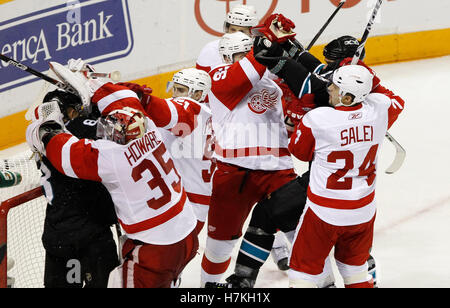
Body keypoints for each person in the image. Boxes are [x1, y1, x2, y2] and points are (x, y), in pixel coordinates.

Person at [26, 61, 201, 288]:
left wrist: (48, 123)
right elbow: (125, 103)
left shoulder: (110, 157)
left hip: (154, 247)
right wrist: (93, 83)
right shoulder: (150, 128)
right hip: (187, 231)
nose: (105, 128)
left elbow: (62, 151)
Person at [287, 64, 404, 288]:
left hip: (324, 212)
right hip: (363, 210)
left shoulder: (318, 119)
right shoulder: (378, 109)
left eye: (335, 86)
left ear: (347, 97)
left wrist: (298, 119)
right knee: (356, 271)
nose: (329, 88)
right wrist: (368, 75)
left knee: (303, 272)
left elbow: (299, 152)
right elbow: (396, 100)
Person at [201, 31, 297, 287]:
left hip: (278, 171)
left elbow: (290, 119)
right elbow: (239, 78)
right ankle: (204, 289)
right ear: (227, 57)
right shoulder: (218, 77)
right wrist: (263, 49)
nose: (245, 59)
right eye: (239, 55)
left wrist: (288, 49)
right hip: (234, 172)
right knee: (218, 247)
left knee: (301, 234)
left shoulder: (273, 82)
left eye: (247, 54)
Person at [33, 89, 119, 288]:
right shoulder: (80, 127)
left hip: (57, 235)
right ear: (70, 112)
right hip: (91, 233)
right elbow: (120, 128)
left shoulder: (40, 136)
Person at [196, 4, 258, 73]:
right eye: (233, 30)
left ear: (252, 33)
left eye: (242, 31)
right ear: (227, 29)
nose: (236, 35)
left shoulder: (259, 51)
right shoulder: (210, 49)